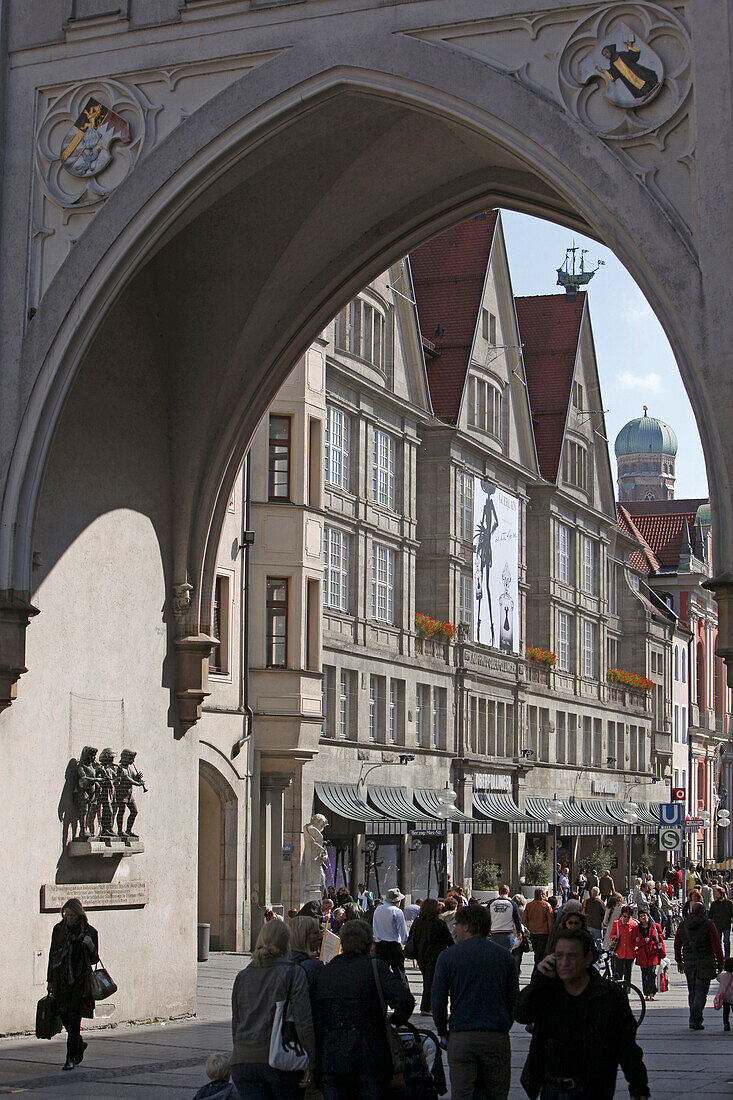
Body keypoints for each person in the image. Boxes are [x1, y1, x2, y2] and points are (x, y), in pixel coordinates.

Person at [514, 927, 650, 1100]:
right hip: (551, 1088)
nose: (564, 962)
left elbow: (626, 1046)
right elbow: (521, 1014)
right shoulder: (549, 990)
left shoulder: (609, 996)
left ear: (587, 959)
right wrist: (539, 980)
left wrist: (638, 1087)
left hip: (590, 1088)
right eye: (559, 955)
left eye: (572, 956)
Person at [313, 918, 414, 1100]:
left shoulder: (325, 971)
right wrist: (393, 1021)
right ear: (369, 944)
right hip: (369, 1054)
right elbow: (405, 1001)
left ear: (342, 942)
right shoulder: (375, 967)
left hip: (332, 1057)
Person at [432, 903, 519, 1100]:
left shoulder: (448, 957)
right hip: (496, 1036)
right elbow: (513, 999)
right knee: (497, 1093)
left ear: (467, 927)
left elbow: (438, 1000)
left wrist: (443, 1031)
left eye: (457, 925)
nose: (454, 929)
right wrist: (504, 1024)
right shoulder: (504, 956)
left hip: (462, 1036)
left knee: (462, 1093)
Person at [231, 918, 315, 1097]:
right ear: (287, 943)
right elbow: (303, 1021)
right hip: (279, 1059)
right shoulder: (293, 972)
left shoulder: (243, 976)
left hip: (243, 1060)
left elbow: (236, 1022)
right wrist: (311, 1061)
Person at [47, 898, 99, 1071]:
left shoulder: (89, 932)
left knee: (74, 1020)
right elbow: (52, 955)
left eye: (70, 915)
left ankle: (70, 1058)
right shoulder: (59, 930)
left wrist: (91, 946)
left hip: (79, 983)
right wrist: (49, 980)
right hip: (61, 981)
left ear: (79, 915)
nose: (67, 918)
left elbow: (93, 960)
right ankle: (79, 1043)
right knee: (64, 1017)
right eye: (65, 914)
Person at [674, 900, 725, 1030]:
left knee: (692, 990)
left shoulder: (683, 925)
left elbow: (677, 943)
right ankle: (695, 1018)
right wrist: (720, 962)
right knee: (701, 992)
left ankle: (694, 1017)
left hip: (688, 961)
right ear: (703, 912)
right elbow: (716, 944)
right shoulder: (708, 924)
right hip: (705, 961)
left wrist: (679, 960)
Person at [404, 896, 453, 1014]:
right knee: (432, 982)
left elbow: (412, 937)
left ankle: (427, 1006)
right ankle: (427, 1007)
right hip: (436, 956)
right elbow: (448, 940)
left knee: (427, 980)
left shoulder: (418, 922)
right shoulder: (439, 923)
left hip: (421, 955)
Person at [371, 886, 409, 984]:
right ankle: (403, 994)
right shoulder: (397, 911)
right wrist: (405, 941)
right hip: (393, 944)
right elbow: (402, 930)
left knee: (382, 973)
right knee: (399, 973)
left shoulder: (378, 909)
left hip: (380, 944)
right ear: (398, 901)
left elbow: (374, 926)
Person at [633, 908, 664, 1000]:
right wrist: (643, 941)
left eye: (644, 915)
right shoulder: (637, 928)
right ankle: (646, 993)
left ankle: (652, 992)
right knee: (644, 974)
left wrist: (662, 954)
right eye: (641, 916)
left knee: (651, 972)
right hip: (642, 954)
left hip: (652, 953)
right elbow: (635, 942)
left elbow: (660, 940)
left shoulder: (655, 926)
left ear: (648, 916)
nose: (643, 917)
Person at [287, 915, 324, 991]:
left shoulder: (279, 962)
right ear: (303, 936)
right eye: (316, 933)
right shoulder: (314, 966)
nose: (320, 936)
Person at [524, 888, 554, 969]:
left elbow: (524, 920)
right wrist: (551, 934)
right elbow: (550, 921)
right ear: (543, 895)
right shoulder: (546, 906)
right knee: (541, 954)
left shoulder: (529, 905)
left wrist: (528, 929)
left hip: (533, 932)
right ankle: (539, 970)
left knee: (536, 952)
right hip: (544, 933)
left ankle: (537, 968)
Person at [487, 884, 523, 951]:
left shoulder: (491, 903)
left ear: (499, 892)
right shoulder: (512, 904)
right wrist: (519, 932)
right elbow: (517, 919)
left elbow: (486, 917)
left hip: (494, 933)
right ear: (508, 893)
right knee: (507, 956)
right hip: (507, 933)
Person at [609, 905, 638, 982]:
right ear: (621, 915)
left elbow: (635, 937)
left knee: (628, 973)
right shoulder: (617, 923)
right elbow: (611, 935)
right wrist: (615, 937)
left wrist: (636, 944)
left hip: (630, 952)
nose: (626, 918)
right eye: (624, 916)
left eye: (628, 917)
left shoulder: (634, 924)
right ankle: (619, 990)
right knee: (619, 973)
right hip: (619, 952)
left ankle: (626, 990)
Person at [710, 886, 733, 957]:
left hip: (726, 925)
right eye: (715, 894)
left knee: (726, 942)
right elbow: (710, 915)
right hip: (717, 925)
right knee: (718, 943)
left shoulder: (729, 903)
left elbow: (732, 914)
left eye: (717, 894)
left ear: (722, 894)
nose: (716, 896)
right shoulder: (714, 904)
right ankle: (719, 957)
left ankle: (727, 957)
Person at [583, 887, 606, 951]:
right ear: (598, 893)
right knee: (599, 942)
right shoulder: (601, 903)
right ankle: (600, 957)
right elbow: (604, 914)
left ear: (591, 893)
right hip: (598, 925)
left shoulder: (586, 901)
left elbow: (584, 912)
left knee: (589, 942)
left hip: (589, 924)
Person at [715, 957, 733, 1032]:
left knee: (726, 1011)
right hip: (732, 998)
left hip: (724, 997)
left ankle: (726, 1023)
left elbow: (717, 978)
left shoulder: (722, 976)